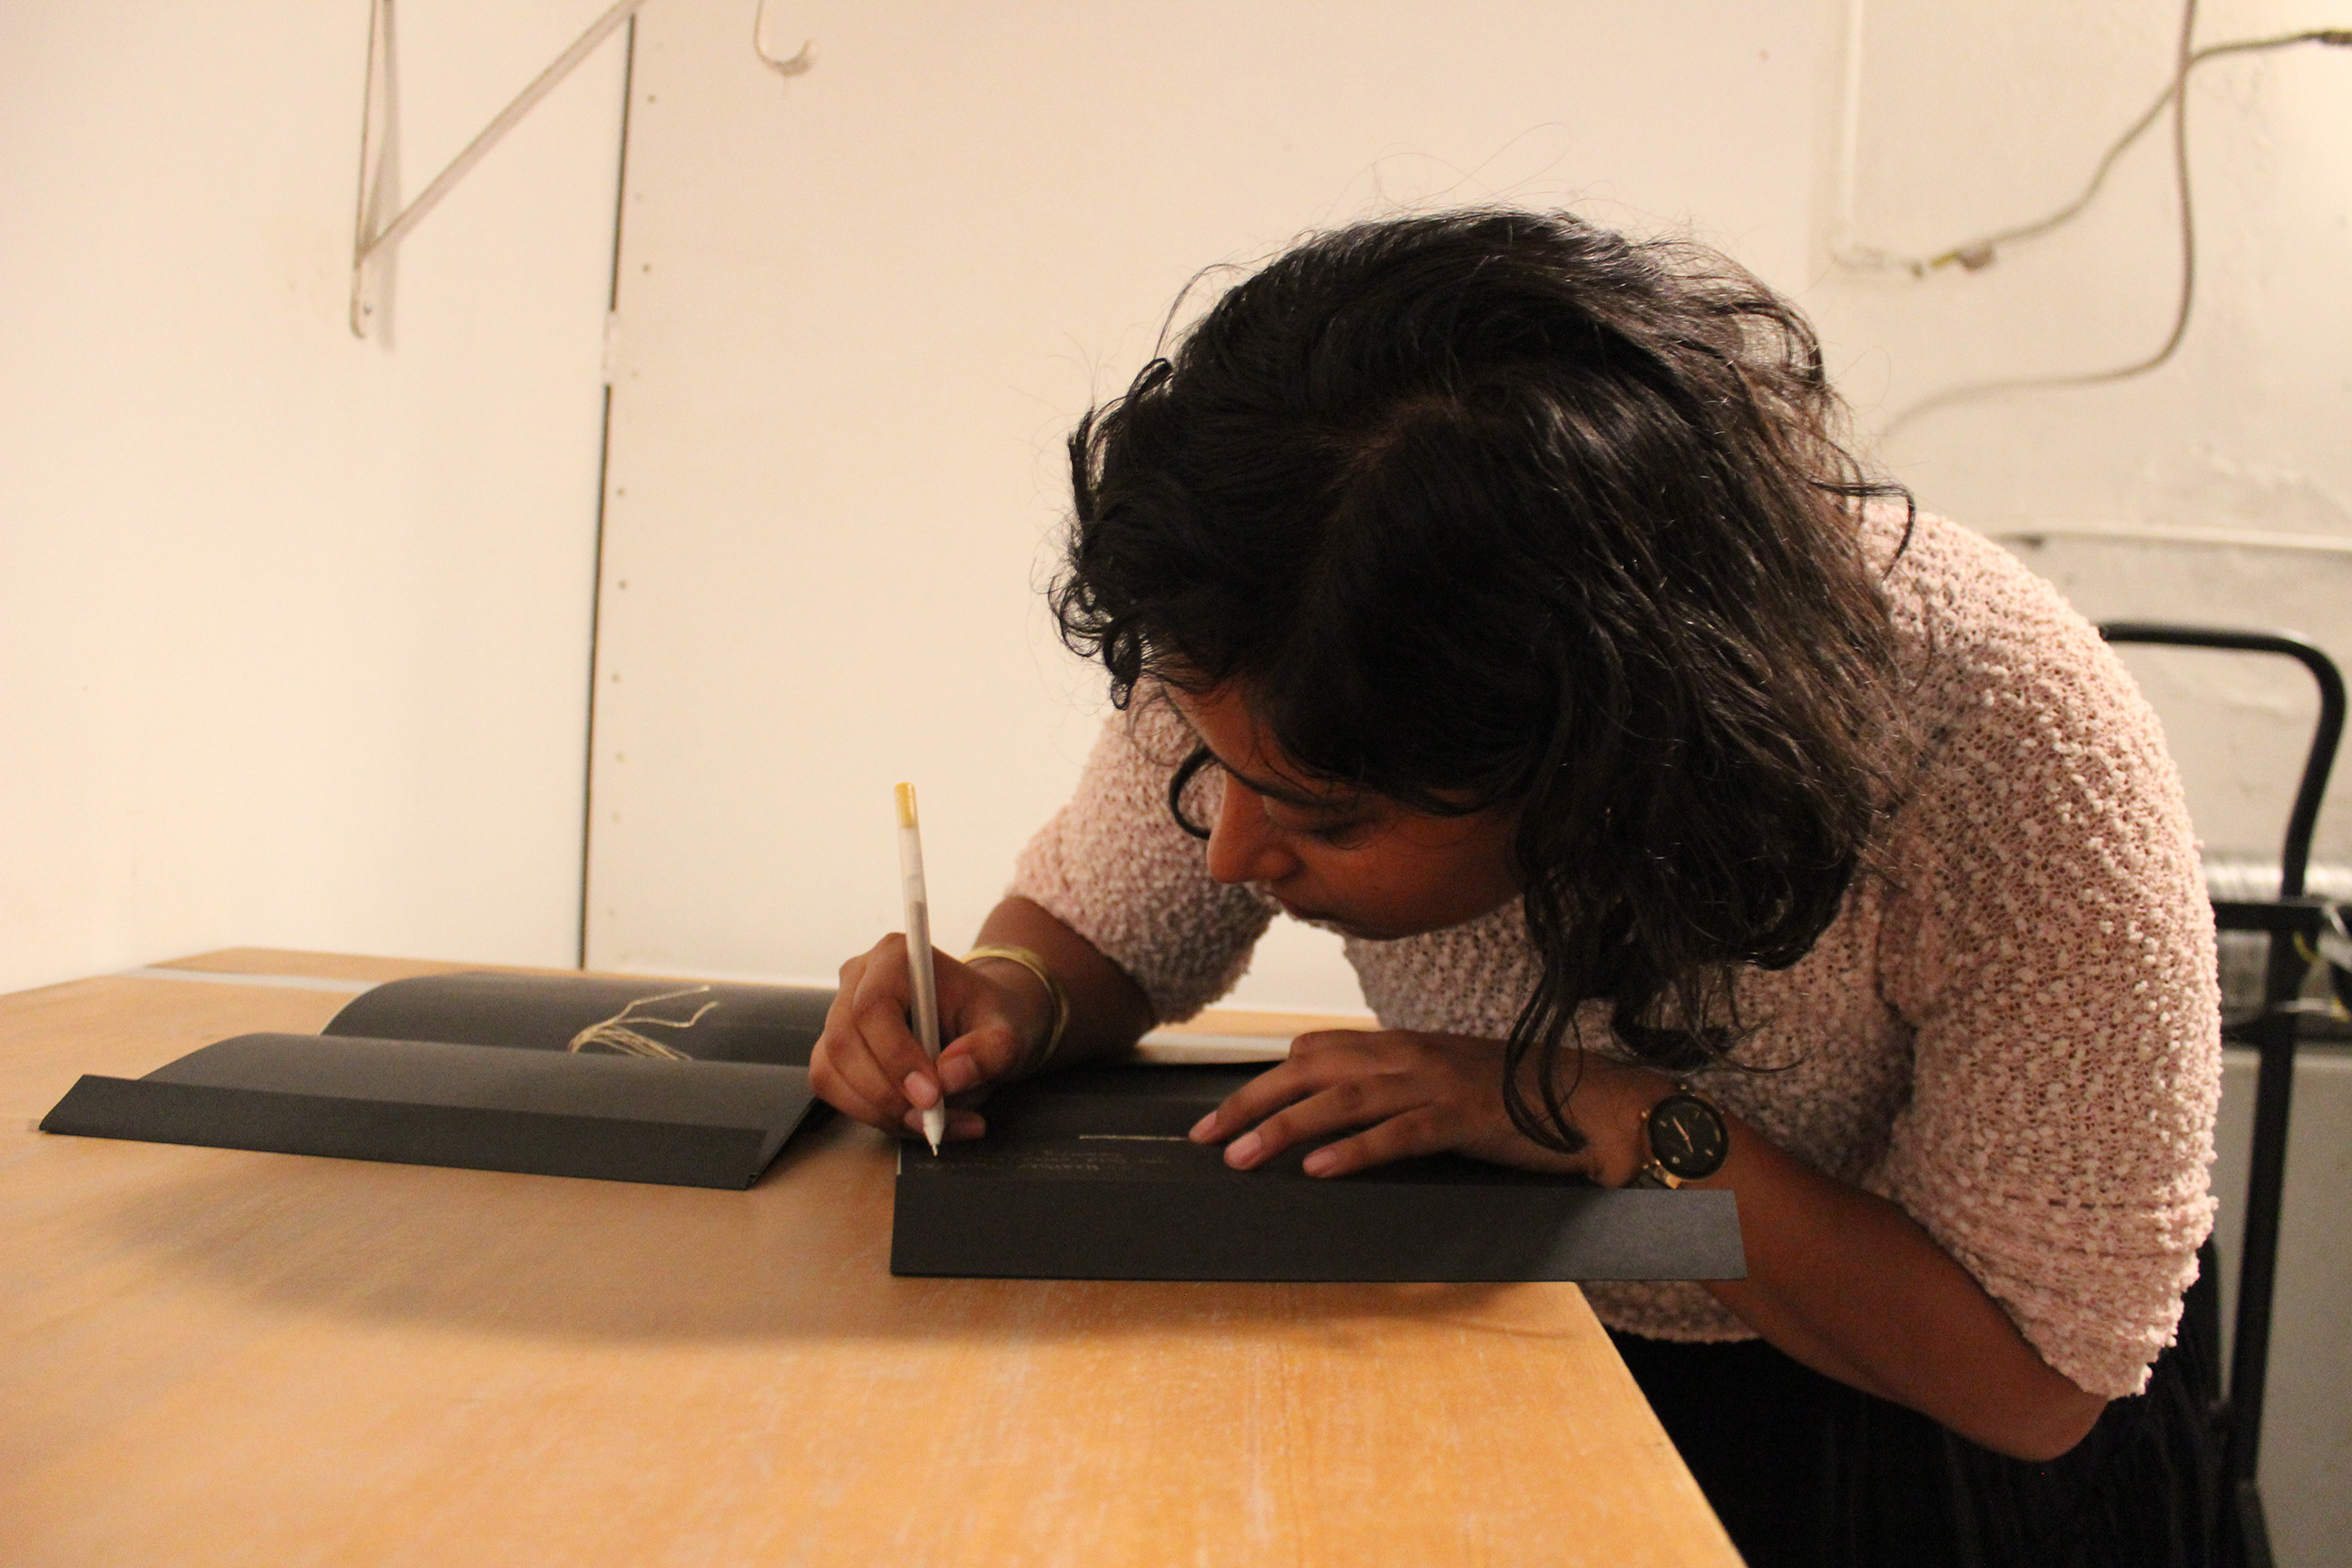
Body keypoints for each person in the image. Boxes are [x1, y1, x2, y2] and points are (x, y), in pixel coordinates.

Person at [808, 209, 2222, 1567]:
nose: (1232, 852)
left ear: (1600, 741)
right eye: (1207, 764)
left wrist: (1599, 1117)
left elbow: (2035, 1381)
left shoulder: (2013, 751)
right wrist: (1005, 999)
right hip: (1515, 1351)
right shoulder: (1287, 610)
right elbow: (1113, 929)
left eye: (1323, 813)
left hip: (1894, 1454)